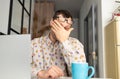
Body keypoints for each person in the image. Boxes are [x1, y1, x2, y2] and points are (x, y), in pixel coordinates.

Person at [31, 10, 86, 79]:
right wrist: (40, 73)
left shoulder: (75, 44)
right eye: (60, 25)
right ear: (52, 22)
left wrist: (64, 42)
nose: (62, 30)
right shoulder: (34, 43)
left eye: (66, 28)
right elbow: (20, 67)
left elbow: (81, 73)